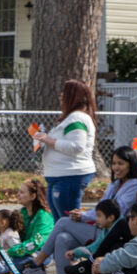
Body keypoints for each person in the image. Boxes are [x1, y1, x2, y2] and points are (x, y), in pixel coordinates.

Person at [25, 145, 137, 274]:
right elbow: (101, 208)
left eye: (121, 163)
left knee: (63, 222)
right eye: (114, 163)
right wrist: (82, 215)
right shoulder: (114, 184)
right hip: (100, 228)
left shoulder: (135, 184)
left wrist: (84, 216)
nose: (116, 167)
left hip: (113, 234)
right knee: (62, 238)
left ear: (130, 164)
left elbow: (117, 210)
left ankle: (39, 260)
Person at [35, 79, 97, 221]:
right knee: (59, 222)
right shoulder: (71, 118)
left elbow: (77, 146)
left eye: (65, 92)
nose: (61, 95)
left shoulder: (77, 118)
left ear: (73, 96)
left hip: (69, 175)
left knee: (68, 222)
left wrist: (49, 140)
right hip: (59, 176)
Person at [63, 199, 128, 274]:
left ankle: (87, 267)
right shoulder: (106, 230)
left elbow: (99, 249)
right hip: (109, 264)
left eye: (99, 216)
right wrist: (76, 251)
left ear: (111, 218)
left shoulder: (121, 227)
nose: (96, 219)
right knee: (61, 237)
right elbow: (95, 247)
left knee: (116, 247)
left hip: (123, 267)